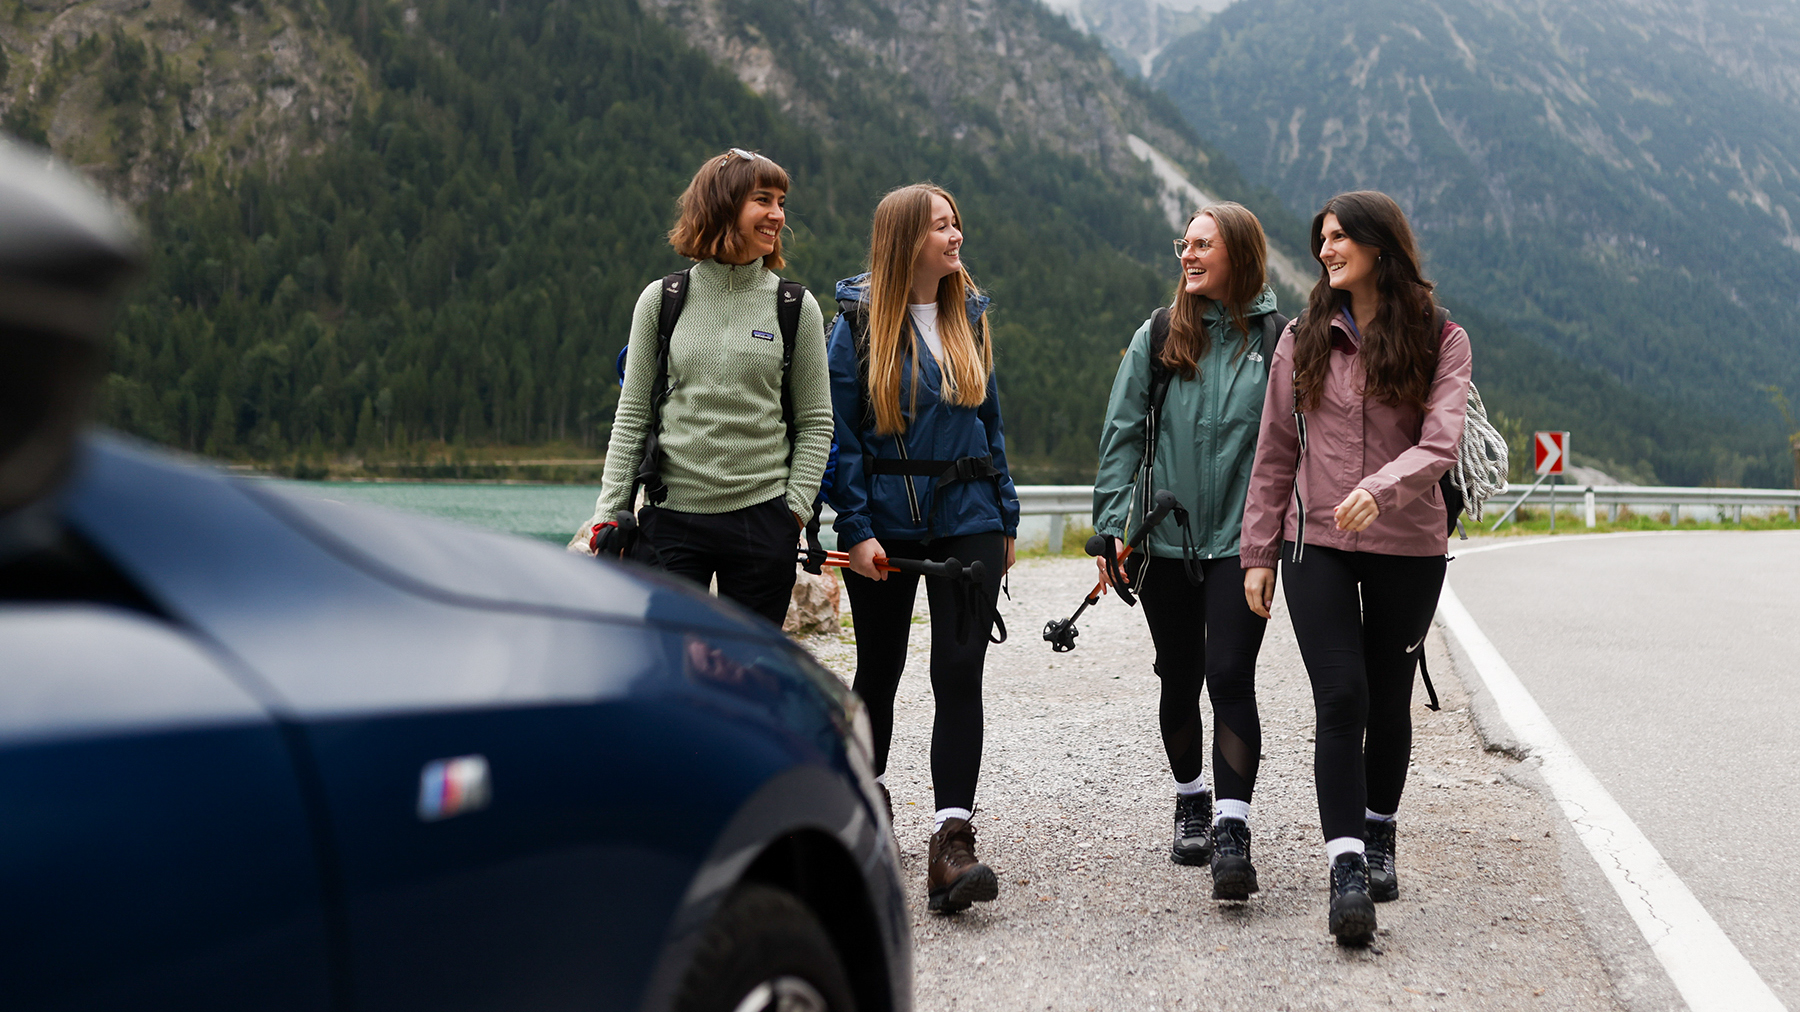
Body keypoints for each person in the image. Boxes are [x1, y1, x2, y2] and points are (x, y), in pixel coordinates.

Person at [1240, 190, 1471, 945]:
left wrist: (1380, 487)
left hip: (1409, 543)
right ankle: (1345, 870)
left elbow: (1440, 443)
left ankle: (1379, 829)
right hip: (1319, 546)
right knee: (1342, 698)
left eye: (1341, 237)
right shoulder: (1304, 335)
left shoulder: (1442, 337)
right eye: (1323, 239)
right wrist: (1258, 551)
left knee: (1387, 697)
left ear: (1380, 245)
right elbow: (1276, 448)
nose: (1327, 250)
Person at [826, 183, 1018, 914]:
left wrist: (1005, 516)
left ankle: (951, 841)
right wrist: (857, 528)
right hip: (885, 524)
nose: (957, 235)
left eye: (957, 223)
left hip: (968, 512)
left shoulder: (968, 314)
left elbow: (990, 426)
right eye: (942, 225)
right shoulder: (856, 324)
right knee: (879, 667)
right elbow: (838, 435)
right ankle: (857, 810)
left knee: (959, 669)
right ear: (907, 238)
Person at [1092, 202, 1281, 901]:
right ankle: (1191, 798)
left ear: (1240, 254)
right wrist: (1113, 524)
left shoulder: (1276, 337)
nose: (1189, 254)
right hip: (1163, 542)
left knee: (1230, 675)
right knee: (1180, 675)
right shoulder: (1158, 333)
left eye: (1204, 244)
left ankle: (1233, 829)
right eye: (1185, 243)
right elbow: (1120, 434)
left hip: (1243, 542)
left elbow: (1296, 442)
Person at [572, 149, 833, 626]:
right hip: (670, 520)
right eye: (763, 200)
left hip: (761, 519)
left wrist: (792, 512)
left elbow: (817, 423)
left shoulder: (797, 306)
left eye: (781, 202)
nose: (777, 214)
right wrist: (609, 512)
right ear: (722, 204)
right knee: (664, 671)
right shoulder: (663, 299)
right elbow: (632, 416)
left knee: (748, 677)